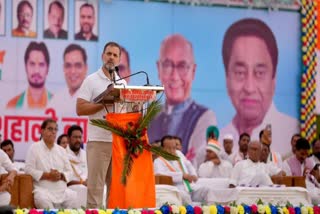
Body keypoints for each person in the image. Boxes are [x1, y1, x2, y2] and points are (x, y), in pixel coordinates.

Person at [219, 18, 299, 155]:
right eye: (240, 72)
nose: (249, 88)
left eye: (260, 73)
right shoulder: (220, 140)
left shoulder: (291, 133)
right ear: (227, 77)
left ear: (274, 78)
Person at [148, 34, 217, 168]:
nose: (174, 76)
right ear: (158, 69)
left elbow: (195, 164)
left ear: (193, 71)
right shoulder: (150, 117)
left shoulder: (204, 118)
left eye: (182, 66)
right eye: (167, 65)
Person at [76, 41, 126, 208]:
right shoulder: (91, 80)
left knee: (116, 190)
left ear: (119, 60)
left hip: (118, 143)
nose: (111, 57)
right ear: (102, 56)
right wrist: (104, 102)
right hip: (98, 141)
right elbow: (80, 108)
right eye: (108, 54)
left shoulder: (123, 84)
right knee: (95, 189)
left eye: (115, 55)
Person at [24, 118, 78, 209]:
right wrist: (48, 175)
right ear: (42, 131)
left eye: (55, 129)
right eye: (50, 129)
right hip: (43, 191)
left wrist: (61, 175)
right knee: (41, 199)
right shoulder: (34, 148)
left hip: (62, 191)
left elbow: (70, 172)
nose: (53, 132)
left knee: (73, 197)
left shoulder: (61, 150)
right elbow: (28, 170)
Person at [153, 135, 209, 204]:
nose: (171, 151)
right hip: (175, 189)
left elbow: (188, 164)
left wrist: (193, 174)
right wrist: (181, 176)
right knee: (185, 197)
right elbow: (160, 174)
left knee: (205, 190)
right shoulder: (158, 161)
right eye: (168, 148)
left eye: (173, 148)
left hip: (189, 186)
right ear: (162, 148)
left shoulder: (178, 154)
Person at [6, 42, 53, 109]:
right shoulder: (13, 105)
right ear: (25, 67)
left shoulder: (57, 104)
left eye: (41, 65)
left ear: (47, 69)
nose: (36, 70)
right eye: (32, 64)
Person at [48, 44, 87, 116]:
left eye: (78, 65)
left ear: (85, 68)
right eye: (68, 65)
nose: (72, 71)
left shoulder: (94, 100)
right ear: (63, 68)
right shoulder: (56, 100)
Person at [66, 125, 87, 208]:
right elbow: (63, 180)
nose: (78, 140)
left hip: (87, 186)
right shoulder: (62, 154)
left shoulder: (86, 155)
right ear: (68, 138)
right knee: (82, 191)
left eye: (79, 137)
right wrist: (81, 183)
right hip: (69, 188)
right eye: (75, 137)